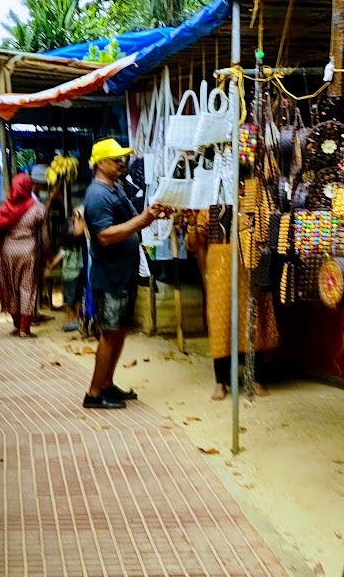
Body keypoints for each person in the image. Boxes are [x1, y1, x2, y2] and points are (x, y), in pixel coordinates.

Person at [82, 138, 164, 409]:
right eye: (116, 160)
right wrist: (144, 220)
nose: (121, 164)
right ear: (101, 163)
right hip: (111, 275)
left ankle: (107, 384)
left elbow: (132, 219)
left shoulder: (114, 188)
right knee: (110, 334)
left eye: (122, 160)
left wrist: (152, 214)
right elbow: (104, 236)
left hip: (122, 273)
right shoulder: (97, 195)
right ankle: (94, 393)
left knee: (118, 331)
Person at [184, 203, 278, 399]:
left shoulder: (254, 198)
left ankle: (256, 378)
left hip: (249, 268)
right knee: (220, 322)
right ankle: (221, 382)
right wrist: (192, 224)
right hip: (220, 269)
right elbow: (195, 242)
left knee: (253, 319)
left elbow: (269, 233)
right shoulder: (209, 205)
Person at [0, 171, 51, 336]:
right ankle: (24, 328)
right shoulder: (38, 208)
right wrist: (48, 255)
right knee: (27, 288)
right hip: (29, 252)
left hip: (8, 252)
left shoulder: (5, 207)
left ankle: (17, 324)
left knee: (11, 287)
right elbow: (44, 238)